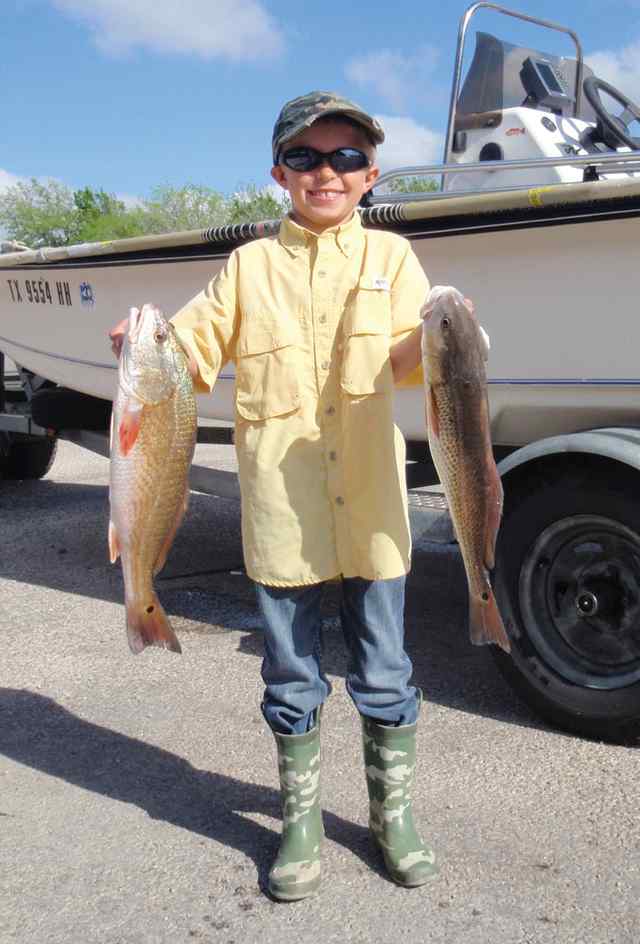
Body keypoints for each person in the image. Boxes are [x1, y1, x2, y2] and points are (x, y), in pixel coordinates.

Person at [110, 91, 437, 901]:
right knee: (292, 678)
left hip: (372, 512)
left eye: (346, 158)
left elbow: (411, 361)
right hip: (281, 513)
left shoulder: (393, 259)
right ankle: (301, 822)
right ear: (278, 174)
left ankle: (392, 815)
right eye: (306, 158)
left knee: (386, 672)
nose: (326, 172)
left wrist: (445, 337)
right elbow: (183, 352)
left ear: (370, 177)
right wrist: (138, 343)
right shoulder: (247, 267)